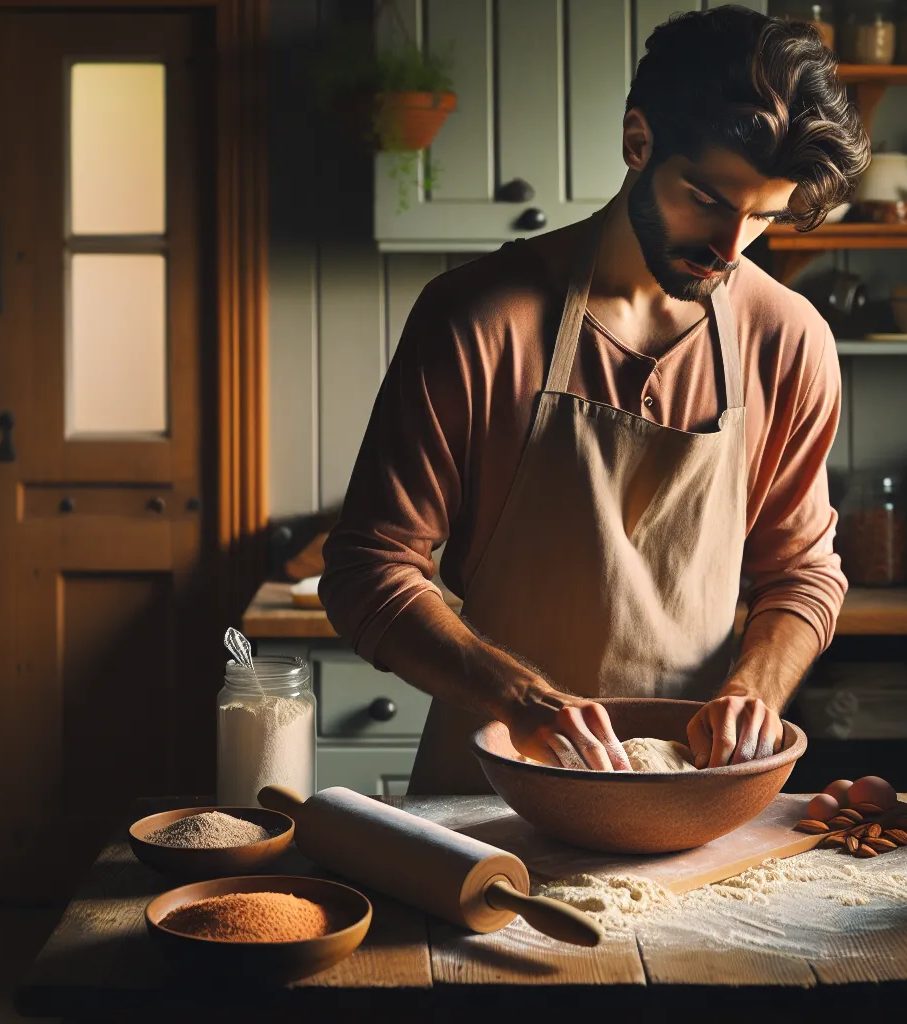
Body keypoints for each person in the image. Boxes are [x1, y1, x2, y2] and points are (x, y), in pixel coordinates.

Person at [320, 6, 869, 794]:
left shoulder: (789, 340)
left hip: (692, 793)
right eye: (708, 198)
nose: (730, 246)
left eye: (764, 219)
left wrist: (755, 690)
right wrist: (524, 701)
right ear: (637, 141)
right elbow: (369, 569)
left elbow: (803, 573)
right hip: (493, 788)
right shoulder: (479, 319)